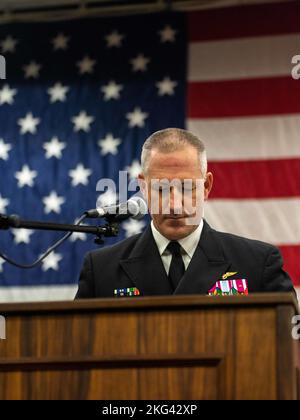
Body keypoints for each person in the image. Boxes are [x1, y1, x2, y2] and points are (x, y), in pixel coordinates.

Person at [75, 128, 294, 298]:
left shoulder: (257, 264)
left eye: (187, 187)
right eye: (161, 189)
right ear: (143, 187)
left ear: (206, 186)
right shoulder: (102, 270)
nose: (175, 205)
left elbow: (289, 347)